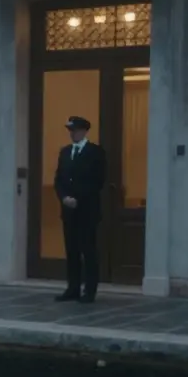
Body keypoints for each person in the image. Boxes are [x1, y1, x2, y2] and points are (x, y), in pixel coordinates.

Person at [54, 115, 106, 303]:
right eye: (70, 130)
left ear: (83, 131)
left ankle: (90, 290)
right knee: (72, 250)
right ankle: (73, 288)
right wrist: (64, 197)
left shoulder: (95, 152)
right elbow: (59, 179)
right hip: (69, 211)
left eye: (74, 130)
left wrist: (78, 198)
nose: (72, 134)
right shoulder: (65, 152)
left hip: (87, 211)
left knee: (88, 250)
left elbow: (97, 181)